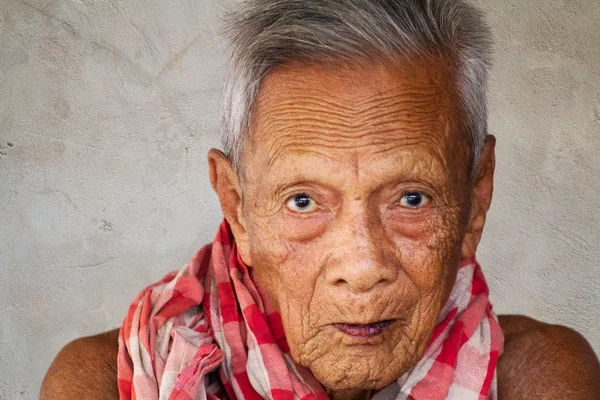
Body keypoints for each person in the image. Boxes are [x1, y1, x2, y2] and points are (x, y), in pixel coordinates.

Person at [41, 0, 600, 399]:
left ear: (476, 199)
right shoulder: (105, 384)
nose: (360, 269)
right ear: (237, 208)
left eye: (410, 197)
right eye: (303, 202)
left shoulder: (541, 379)